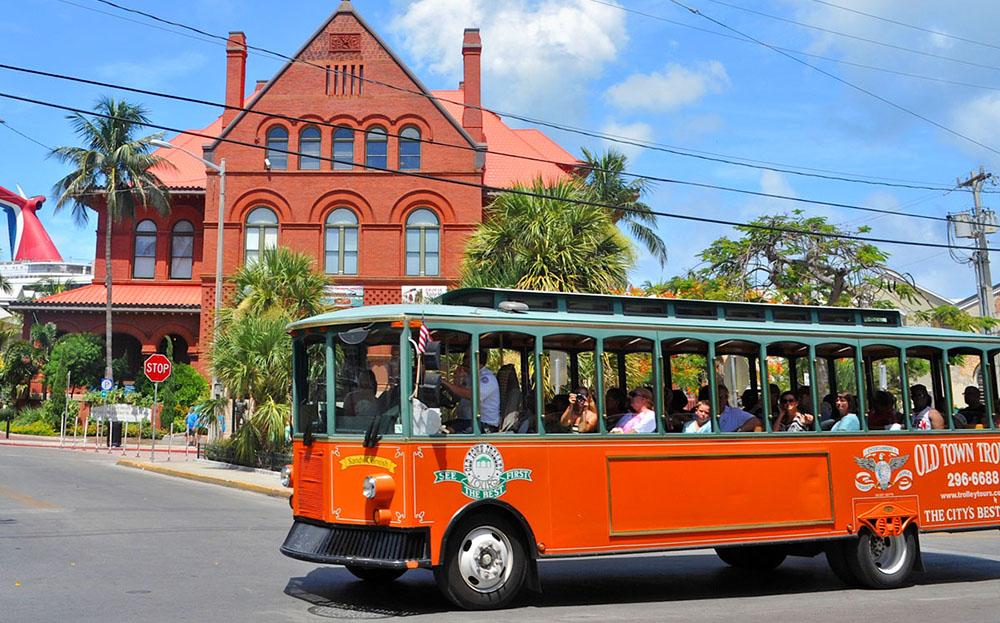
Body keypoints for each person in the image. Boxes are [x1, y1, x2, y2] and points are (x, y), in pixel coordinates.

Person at [442, 350, 500, 433]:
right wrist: (457, 378)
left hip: (484, 423)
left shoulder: (487, 378)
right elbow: (457, 397)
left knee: (448, 431)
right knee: (440, 427)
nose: (462, 360)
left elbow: (471, 395)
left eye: (465, 357)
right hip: (465, 420)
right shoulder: (470, 376)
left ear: (475, 358)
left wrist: (445, 382)